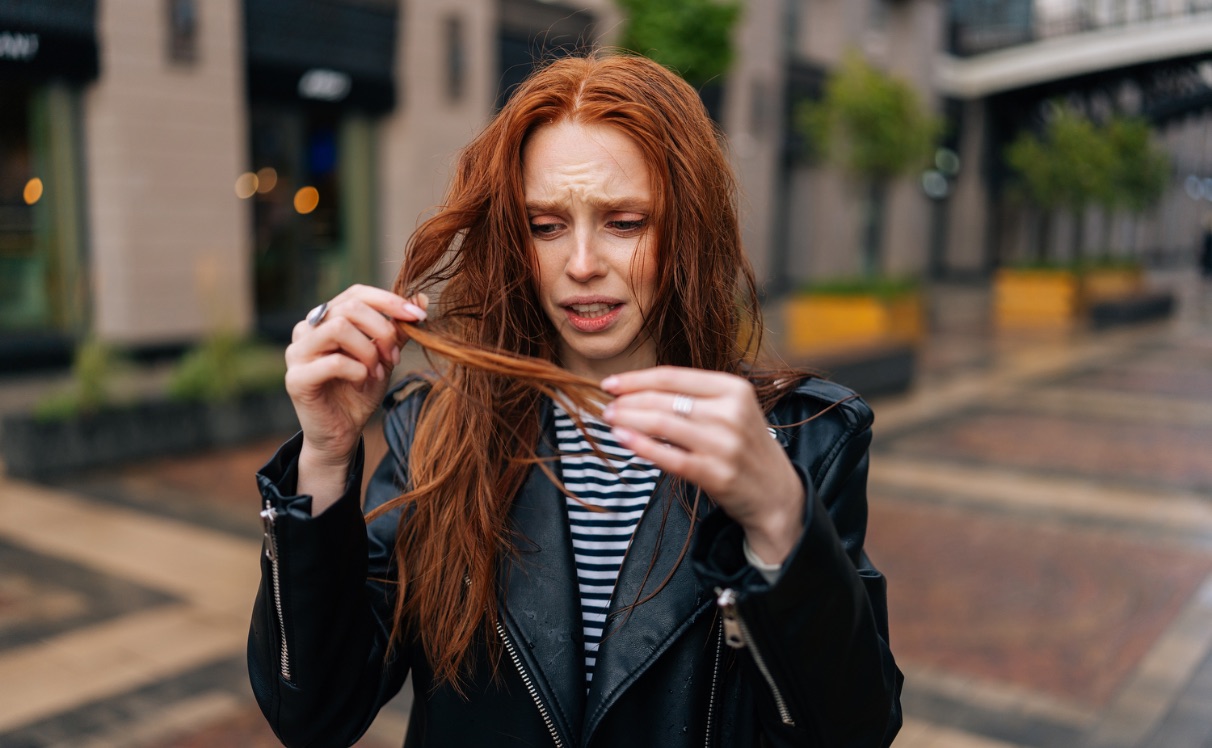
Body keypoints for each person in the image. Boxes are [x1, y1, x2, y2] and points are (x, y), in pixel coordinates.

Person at [248, 52, 903, 748]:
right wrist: (325, 457)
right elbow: (315, 712)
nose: (582, 264)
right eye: (546, 225)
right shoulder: (437, 430)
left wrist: (777, 518)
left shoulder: (804, 437)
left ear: (689, 228)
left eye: (625, 222)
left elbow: (850, 732)